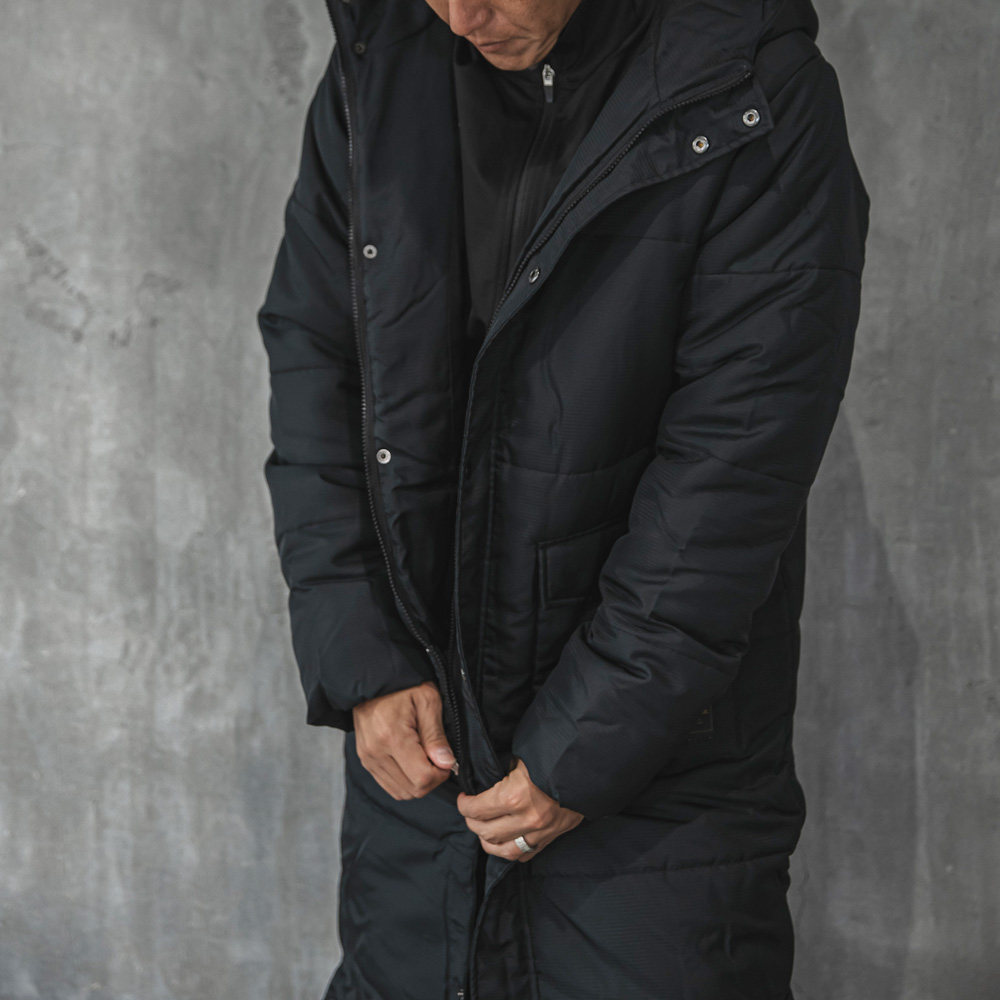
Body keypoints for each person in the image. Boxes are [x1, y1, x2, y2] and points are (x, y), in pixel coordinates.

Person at [256, 0, 870, 996]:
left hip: (657, 788)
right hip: (425, 776)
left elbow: (733, 468)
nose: (462, 16)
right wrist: (362, 658)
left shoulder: (752, 92)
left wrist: (586, 744)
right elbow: (317, 366)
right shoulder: (385, 60)